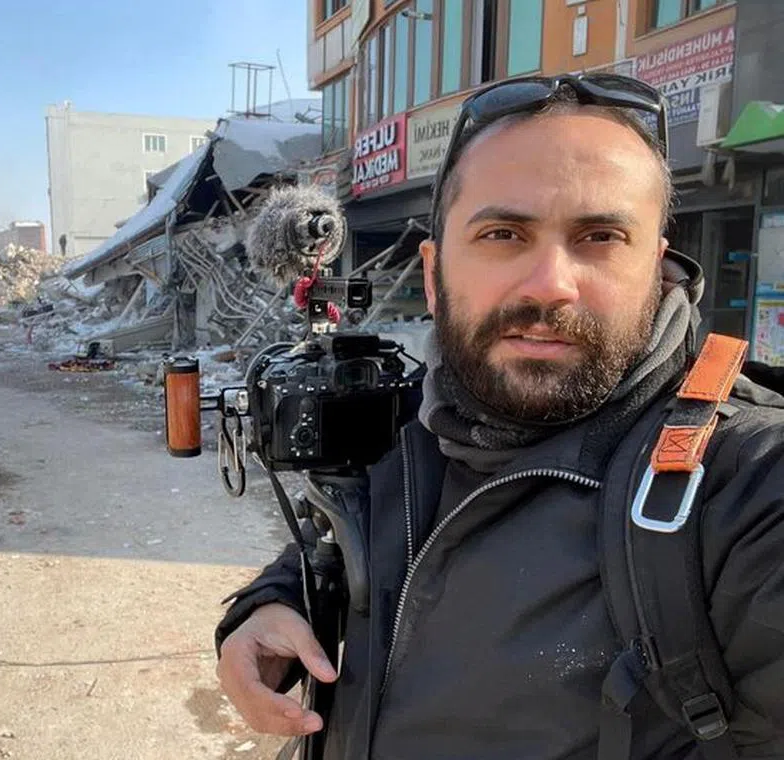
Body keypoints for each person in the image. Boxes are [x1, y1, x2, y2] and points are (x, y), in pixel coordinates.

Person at [214, 75, 784, 759]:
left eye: (600, 235)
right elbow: (343, 533)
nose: (550, 283)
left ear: (655, 266)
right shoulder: (413, 418)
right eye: (504, 233)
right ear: (434, 273)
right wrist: (273, 605)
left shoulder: (744, 484)